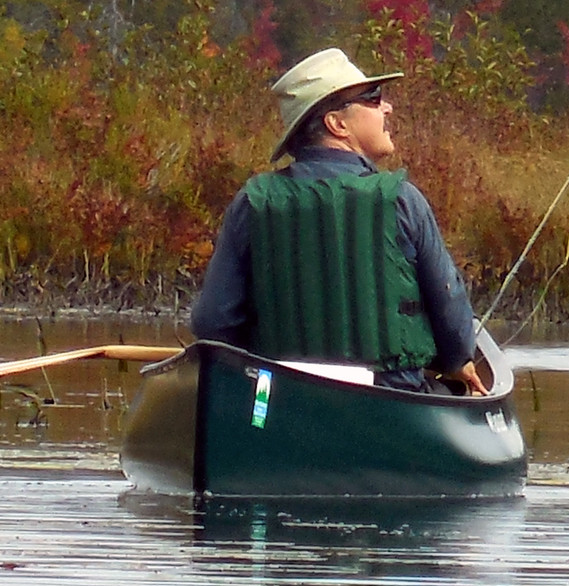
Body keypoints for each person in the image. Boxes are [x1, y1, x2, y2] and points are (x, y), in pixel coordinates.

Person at [191, 48, 486, 394]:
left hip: (283, 399)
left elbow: (212, 323)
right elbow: (453, 323)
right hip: (394, 399)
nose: (387, 107)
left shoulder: (252, 203)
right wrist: (456, 361)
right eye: (373, 99)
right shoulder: (404, 200)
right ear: (337, 123)